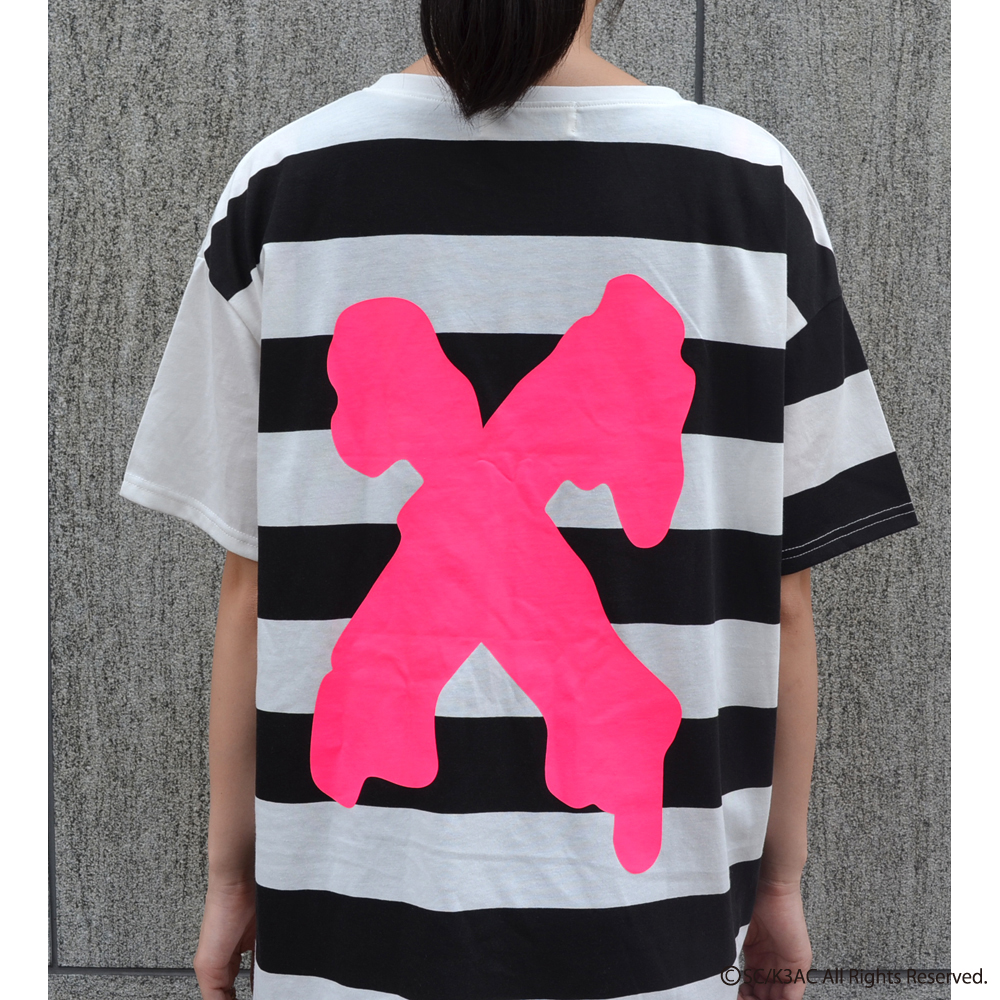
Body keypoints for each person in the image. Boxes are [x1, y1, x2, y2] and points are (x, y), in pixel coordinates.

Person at [120, 1, 918, 998]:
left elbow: (251, 586)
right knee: (482, 485)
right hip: (656, 925)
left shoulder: (284, 186)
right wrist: (781, 885)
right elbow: (783, 597)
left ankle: (401, 690)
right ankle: (612, 662)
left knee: (461, 487)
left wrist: (230, 879)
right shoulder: (749, 189)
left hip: (349, 914)